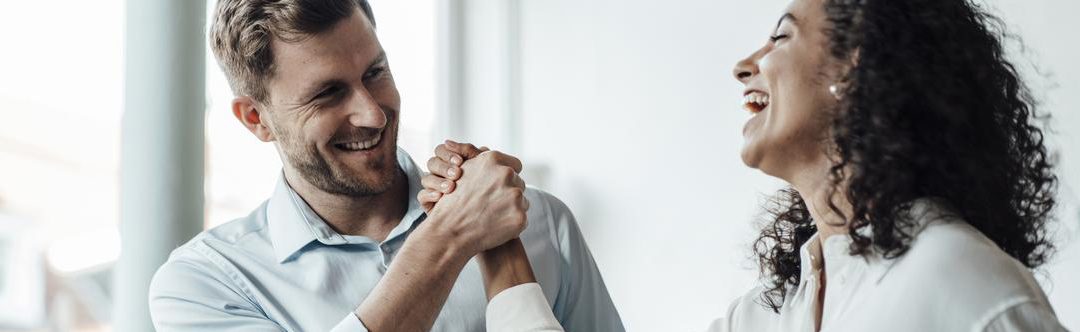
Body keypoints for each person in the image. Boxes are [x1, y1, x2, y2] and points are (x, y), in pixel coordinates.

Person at [419, 0, 1069, 330]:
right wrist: (497, 247)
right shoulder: (779, 307)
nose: (745, 63)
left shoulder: (960, 282)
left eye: (781, 35)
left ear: (857, 67)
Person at [147, 0, 623, 331]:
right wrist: (452, 237)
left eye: (375, 73)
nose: (373, 114)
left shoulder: (539, 224)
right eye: (328, 93)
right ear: (257, 119)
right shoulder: (205, 285)